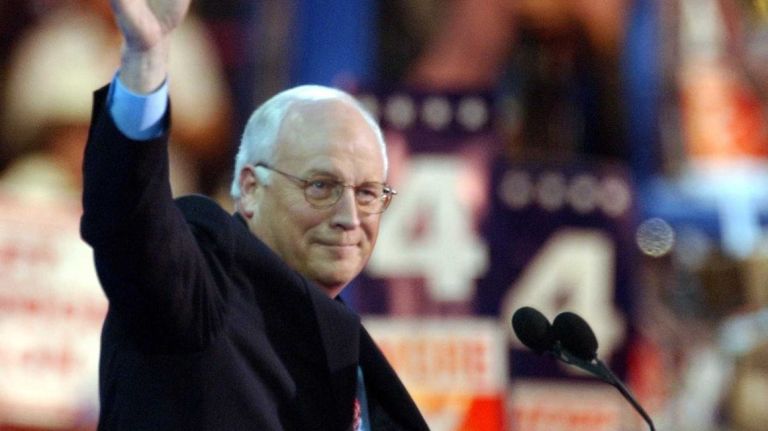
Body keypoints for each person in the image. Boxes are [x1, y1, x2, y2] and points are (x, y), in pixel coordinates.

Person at [79, 0, 429, 430]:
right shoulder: (206, 283)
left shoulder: (350, 356)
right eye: (321, 186)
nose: (349, 217)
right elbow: (129, 223)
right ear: (249, 188)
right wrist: (145, 63)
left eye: (368, 193)